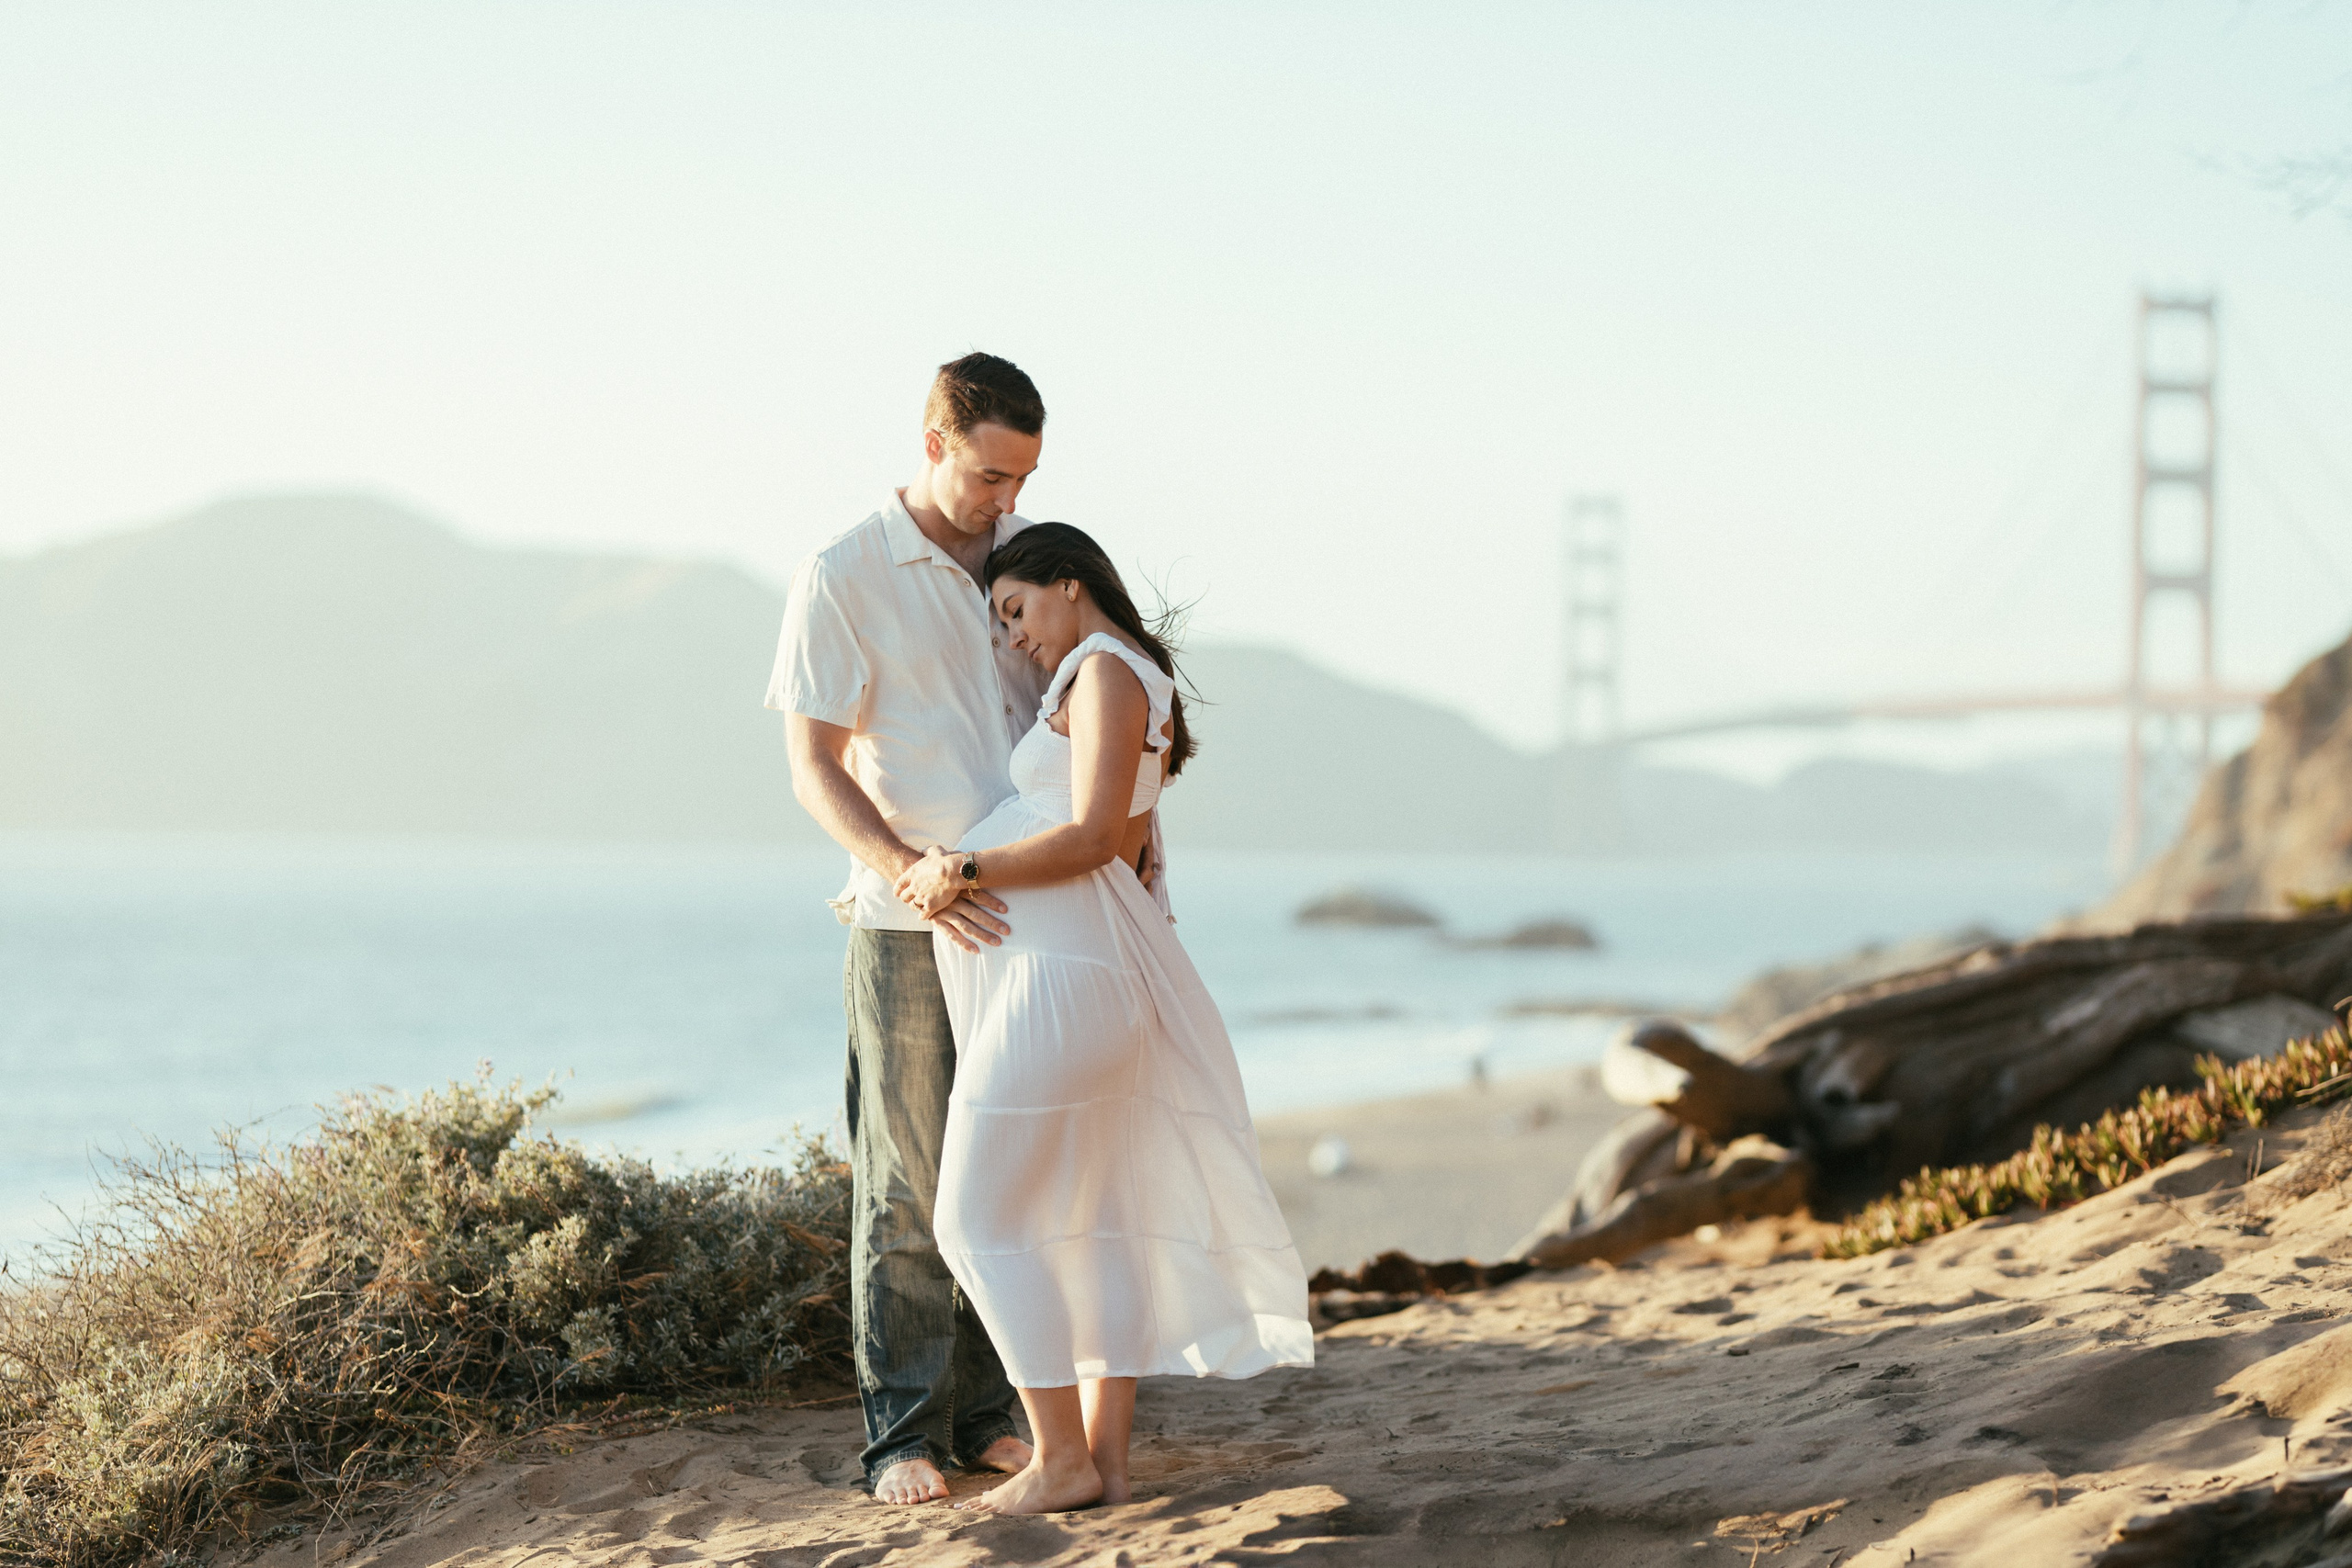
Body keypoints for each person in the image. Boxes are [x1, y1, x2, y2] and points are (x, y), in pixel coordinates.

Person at [893, 523, 1314, 1516]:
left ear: (1069, 586)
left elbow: (1087, 841)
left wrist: (957, 870)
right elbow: (1123, 848)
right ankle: (1105, 1468)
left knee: (974, 1217)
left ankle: (1062, 1458)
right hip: (1076, 974)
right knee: (1091, 1225)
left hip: (1067, 982)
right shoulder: (1115, 680)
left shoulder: (1106, 674)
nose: (1012, 636)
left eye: (1016, 609)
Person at [767, 352, 1055, 1506]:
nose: (1009, 502)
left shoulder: (1037, 564)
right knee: (905, 1186)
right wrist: (906, 867)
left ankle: (990, 1414)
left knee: (1009, 1170)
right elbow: (811, 767)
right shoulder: (841, 574)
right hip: (906, 925)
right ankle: (902, 1439)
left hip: (1037, 914)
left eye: (1025, 477)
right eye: (991, 475)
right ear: (934, 442)